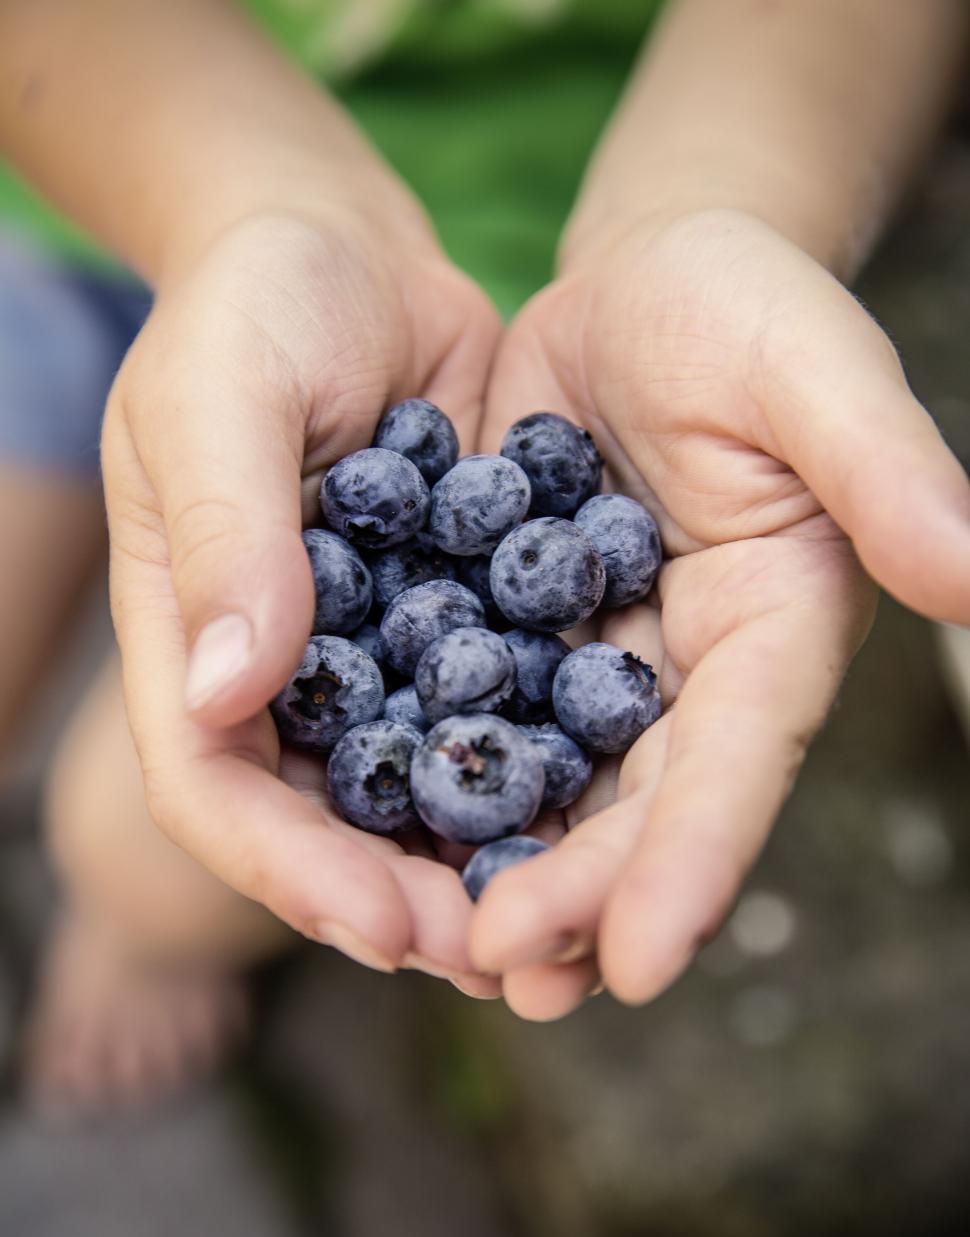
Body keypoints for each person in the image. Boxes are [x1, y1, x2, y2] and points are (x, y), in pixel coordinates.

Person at [0, 0, 967, 1108]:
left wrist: (718, 206)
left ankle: (141, 937)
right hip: (90, 179)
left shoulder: (502, 576)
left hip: (536, 272)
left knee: (144, 857)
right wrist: (249, 212)